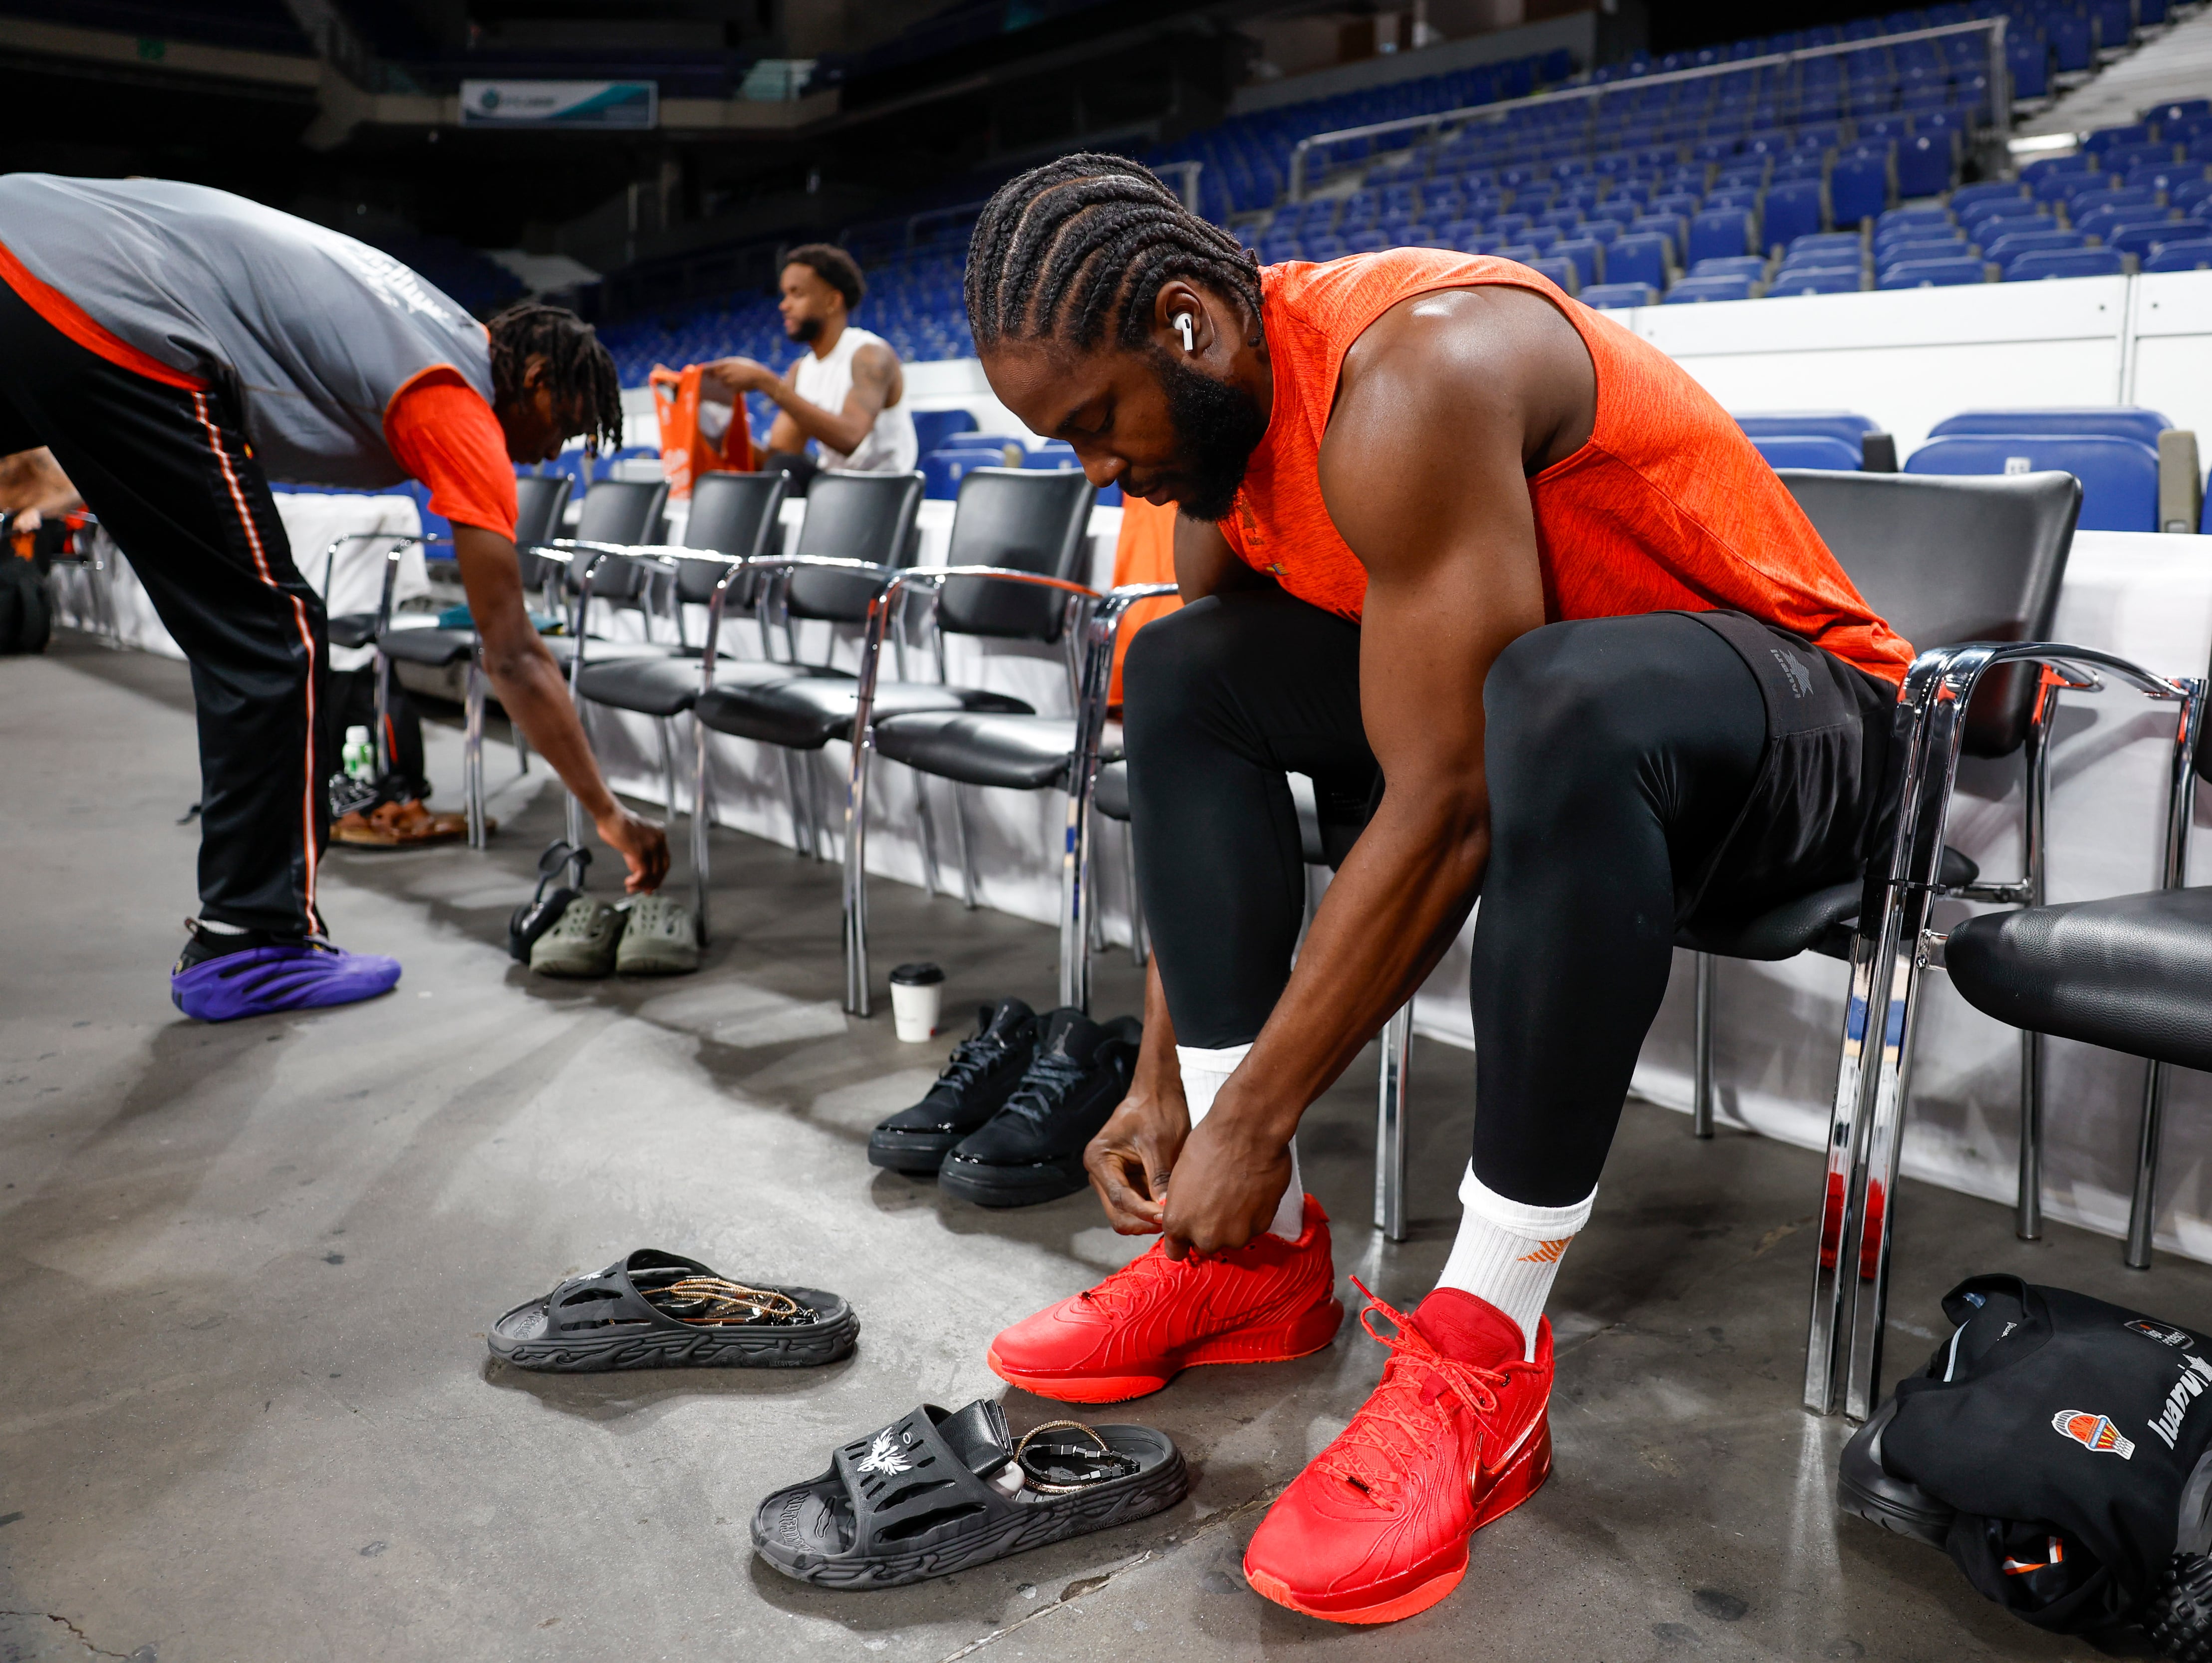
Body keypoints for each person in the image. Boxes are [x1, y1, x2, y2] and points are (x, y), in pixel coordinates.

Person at [962, 156, 1915, 1625]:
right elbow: (1224, 750)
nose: (1094, 467)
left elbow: (1451, 795)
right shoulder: (1214, 455)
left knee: (1546, 700)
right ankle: (1255, 1260)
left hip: (1815, 738)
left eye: (1094, 424)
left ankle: (1487, 1348)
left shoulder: (1410, 370)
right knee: (1188, 670)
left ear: (1185, 326)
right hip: (1586, 740)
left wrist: (1259, 1114)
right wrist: (1173, 1088)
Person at [0, 173, 668, 1022]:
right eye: (565, 428)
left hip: (26, 247)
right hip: (107, 300)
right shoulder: (457, 399)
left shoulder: (419, 322)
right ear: (534, 375)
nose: (547, 456)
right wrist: (607, 813)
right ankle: (252, 943)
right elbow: (512, 650)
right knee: (275, 635)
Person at [704, 242, 916, 479]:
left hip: (884, 491)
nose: (784, 305)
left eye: (797, 294)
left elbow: (851, 439)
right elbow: (775, 458)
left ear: (832, 301)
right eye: (785, 295)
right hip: (835, 489)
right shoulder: (801, 370)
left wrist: (766, 382)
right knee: (782, 467)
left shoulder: (870, 355)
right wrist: (710, 424)